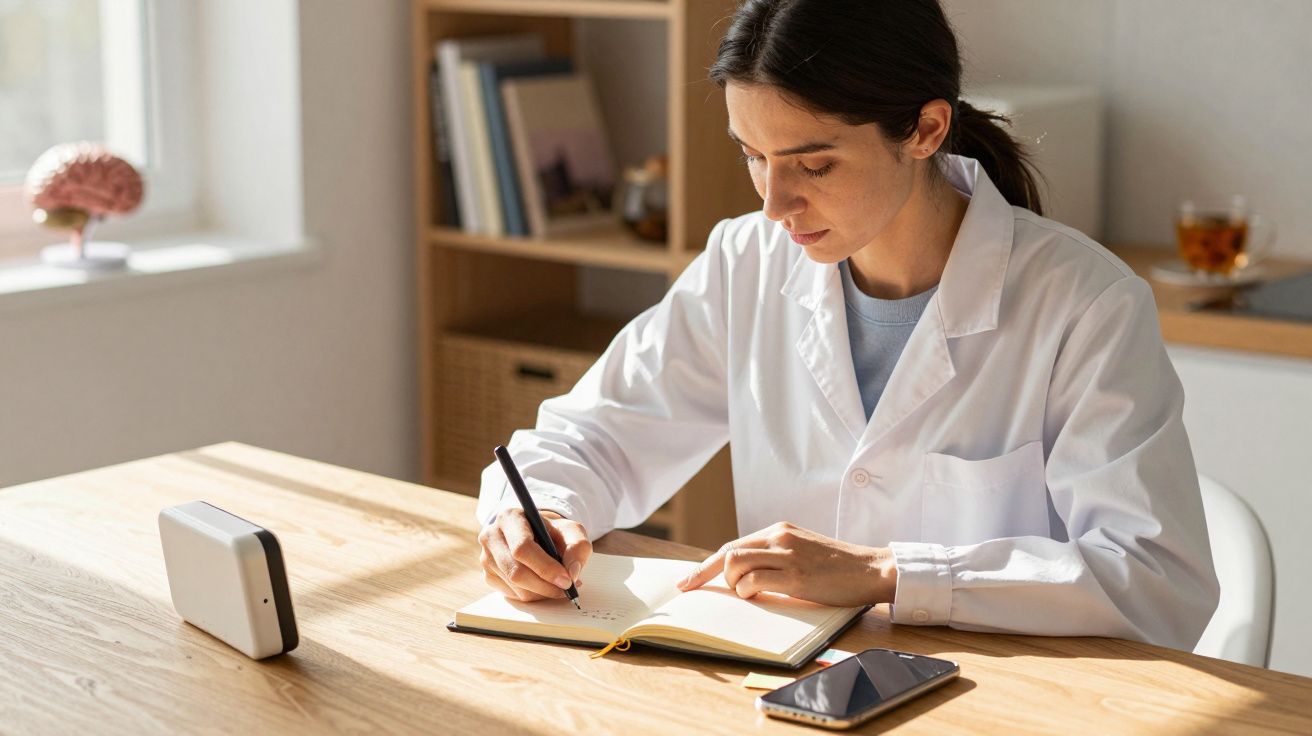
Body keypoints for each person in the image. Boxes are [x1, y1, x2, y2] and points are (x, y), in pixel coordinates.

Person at [475, 0, 1220, 650]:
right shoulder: (748, 262)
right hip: (783, 688)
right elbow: (595, 435)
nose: (774, 204)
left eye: (815, 165)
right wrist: (535, 512)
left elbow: (1156, 581)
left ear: (926, 129)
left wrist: (887, 574)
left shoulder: (1084, 303)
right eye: (753, 156)